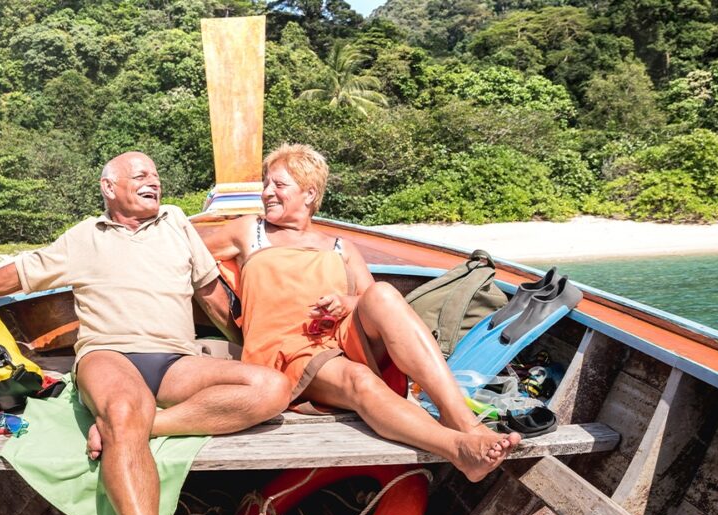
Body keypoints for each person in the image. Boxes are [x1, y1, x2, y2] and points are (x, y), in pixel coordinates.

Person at [0, 151, 291, 515]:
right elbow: (20, 273)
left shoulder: (177, 222)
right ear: (109, 187)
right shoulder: (85, 236)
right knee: (124, 407)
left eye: (156, 176)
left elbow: (212, 296)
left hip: (175, 360)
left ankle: (141, 427)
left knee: (272, 388)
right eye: (141, 175)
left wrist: (250, 346)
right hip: (108, 354)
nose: (154, 182)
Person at [202, 143, 521, 483]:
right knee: (359, 379)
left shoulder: (341, 247)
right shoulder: (249, 230)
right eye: (266, 184)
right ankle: (458, 448)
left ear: (309, 193)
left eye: (279, 185)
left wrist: (348, 302)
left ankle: (463, 420)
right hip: (286, 351)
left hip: (340, 336)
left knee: (382, 293)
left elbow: (373, 304)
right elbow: (187, 256)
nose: (267, 192)